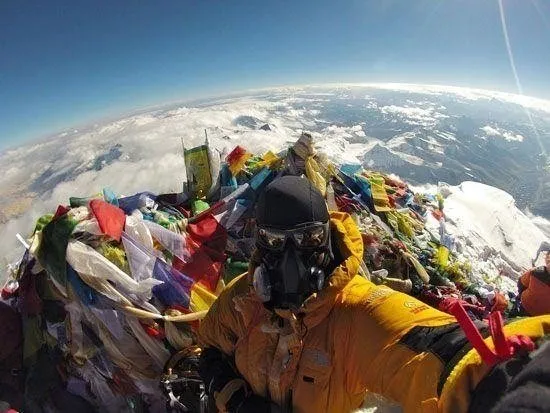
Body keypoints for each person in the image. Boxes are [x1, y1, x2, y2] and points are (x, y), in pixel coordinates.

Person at [198, 175, 550, 413]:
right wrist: (236, 398)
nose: (291, 259)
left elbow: (435, 348)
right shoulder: (243, 299)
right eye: (275, 242)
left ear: (327, 238)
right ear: (259, 243)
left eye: (308, 240)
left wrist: (515, 379)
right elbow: (208, 346)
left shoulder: (359, 312)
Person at [517, 248, 550, 316]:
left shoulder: (537, 271)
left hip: (525, 305)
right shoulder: (537, 271)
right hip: (541, 317)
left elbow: (520, 283)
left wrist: (521, 295)